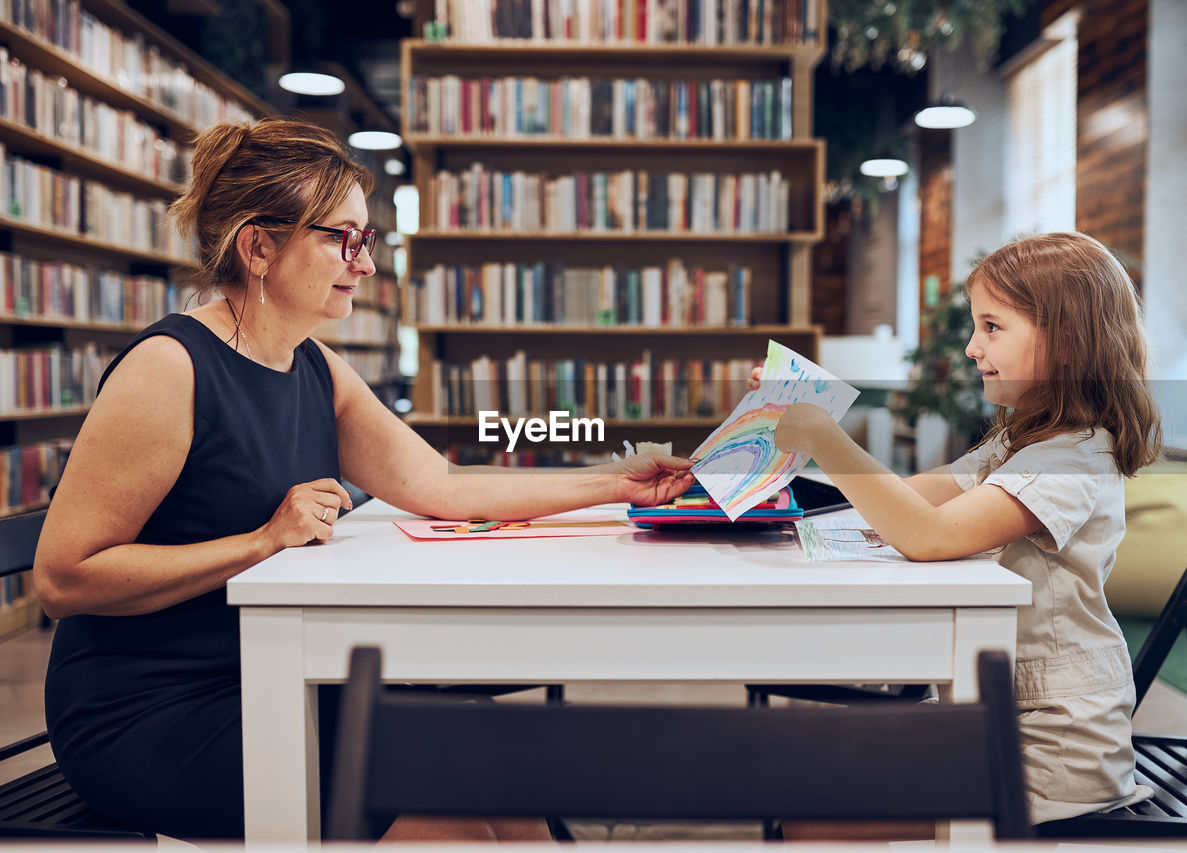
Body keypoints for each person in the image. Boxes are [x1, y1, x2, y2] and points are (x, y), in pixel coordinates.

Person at [32, 117, 695, 840]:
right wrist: (261, 542)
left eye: (367, 240)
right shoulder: (169, 369)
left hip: (271, 676)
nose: (366, 264)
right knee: (448, 813)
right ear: (259, 246)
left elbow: (444, 487)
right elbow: (64, 579)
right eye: (342, 239)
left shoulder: (313, 365)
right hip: (150, 710)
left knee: (498, 756)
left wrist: (615, 482)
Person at [759, 232, 1163, 825]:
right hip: (1004, 715)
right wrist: (806, 479)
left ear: (1070, 340)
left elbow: (931, 535)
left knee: (818, 805)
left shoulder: (1073, 457)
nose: (973, 347)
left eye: (992, 327)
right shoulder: (1025, 438)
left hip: (1051, 750)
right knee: (815, 781)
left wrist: (824, 437)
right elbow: (924, 493)